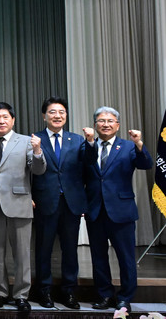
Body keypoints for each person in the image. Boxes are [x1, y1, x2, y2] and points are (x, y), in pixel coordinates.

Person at [82, 106, 153, 312]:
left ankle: (125, 298)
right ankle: (104, 295)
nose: (106, 124)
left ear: (118, 125)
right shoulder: (87, 146)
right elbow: (83, 168)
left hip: (121, 211)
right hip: (95, 210)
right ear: (95, 125)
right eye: (101, 121)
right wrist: (89, 142)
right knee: (98, 257)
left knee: (126, 257)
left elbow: (146, 164)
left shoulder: (128, 146)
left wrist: (139, 143)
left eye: (110, 121)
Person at [0, 102, 45, 312]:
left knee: (22, 252)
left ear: (13, 120)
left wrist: (37, 150)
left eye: (5, 117)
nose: (1, 121)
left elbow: (38, 170)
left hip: (19, 202)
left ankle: (21, 295)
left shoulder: (26, 142)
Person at [32, 97, 87, 309]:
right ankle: (44, 290)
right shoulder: (34, 139)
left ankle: (69, 291)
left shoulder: (77, 140)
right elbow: (28, 172)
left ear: (66, 116)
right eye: (53, 112)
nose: (57, 116)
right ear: (44, 116)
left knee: (70, 249)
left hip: (71, 202)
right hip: (44, 201)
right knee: (43, 249)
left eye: (61, 112)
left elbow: (87, 170)